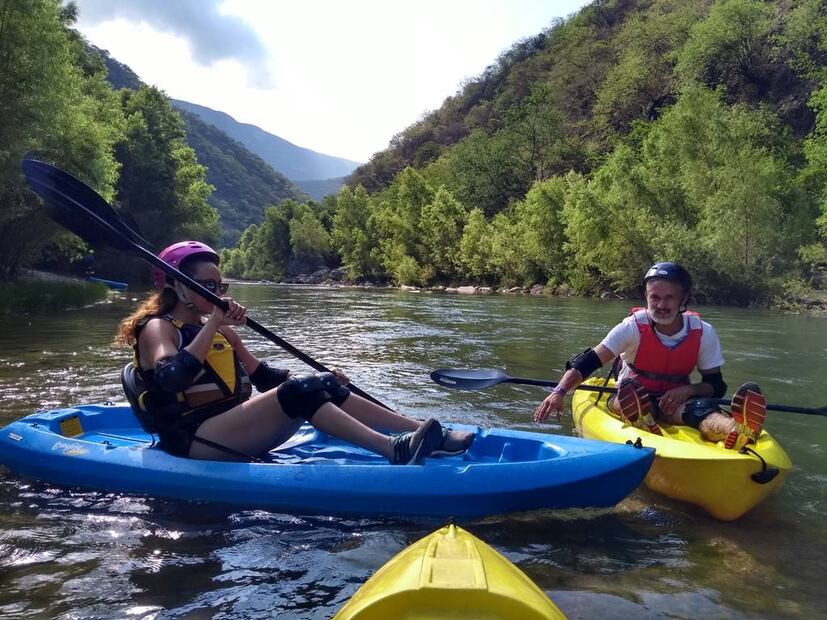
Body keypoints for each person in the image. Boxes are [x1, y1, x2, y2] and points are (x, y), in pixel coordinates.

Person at [115, 241, 474, 464]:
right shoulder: (159, 328)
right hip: (194, 442)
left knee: (317, 385)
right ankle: (393, 450)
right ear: (178, 286)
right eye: (208, 286)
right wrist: (214, 324)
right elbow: (171, 377)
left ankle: (425, 434)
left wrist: (324, 382)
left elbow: (263, 378)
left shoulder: (222, 332)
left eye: (220, 285)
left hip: (232, 431)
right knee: (299, 392)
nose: (218, 292)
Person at [534, 262, 766, 450]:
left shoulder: (703, 332)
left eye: (669, 298)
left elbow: (716, 385)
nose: (661, 305)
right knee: (627, 400)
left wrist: (689, 390)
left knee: (701, 412)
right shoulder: (631, 327)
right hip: (632, 392)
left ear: (683, 299)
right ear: (646, 297)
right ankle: (641, 418)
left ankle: (736, 430)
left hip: (675, 401)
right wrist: (559, 392)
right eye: (654, 297)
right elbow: (589, 361)